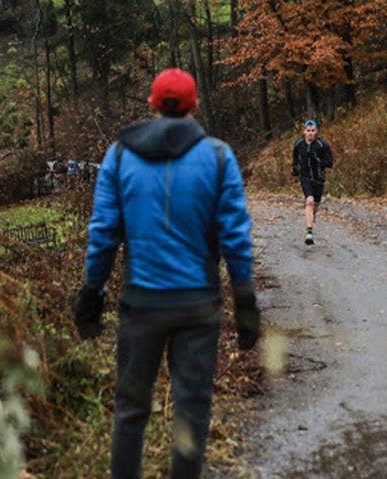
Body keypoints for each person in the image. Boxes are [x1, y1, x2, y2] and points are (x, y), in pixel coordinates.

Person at [72, 68, 260, 479]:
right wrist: (245, 299)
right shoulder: (218, 156)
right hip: (198, 307)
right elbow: (235, 235)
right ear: (195, 105)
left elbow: (103, 232)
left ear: (152, 105)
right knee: (191, 412)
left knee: (130, 412)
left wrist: (92, 290)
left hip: (141, 306)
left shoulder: (119, 156)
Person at [292, 119, 333, 245]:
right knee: (309, 201)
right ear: (304, 131)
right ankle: (309, 233)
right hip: (305, 177)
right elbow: (295, 159)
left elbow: (330, 163)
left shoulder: (322, 145)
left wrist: (317, 160)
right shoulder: (298, 144)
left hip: (318, 178)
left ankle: (312, 215)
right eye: (308, 130)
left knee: (315, 205)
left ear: (316, 131)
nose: (310, 133)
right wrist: (295, 168)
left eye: (313, 130)